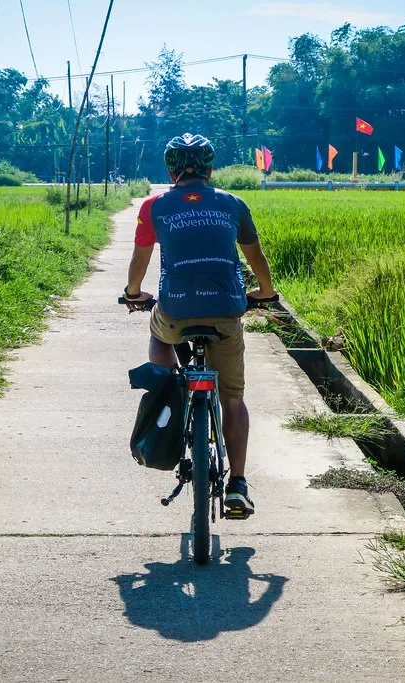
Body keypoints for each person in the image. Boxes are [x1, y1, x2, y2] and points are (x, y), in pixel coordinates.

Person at [123, 133, 277, 518]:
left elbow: (141, 259)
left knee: (159, 333)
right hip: (226, 312)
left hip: (175, 312)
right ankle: (238, 484)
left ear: (171, 169)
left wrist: (133, 293)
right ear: (210, 168)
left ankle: (170, 384)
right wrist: (266, 292)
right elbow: (254, 255)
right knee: (233, 398)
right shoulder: (232, 203)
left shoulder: (154, 206)